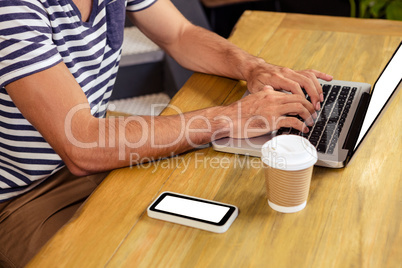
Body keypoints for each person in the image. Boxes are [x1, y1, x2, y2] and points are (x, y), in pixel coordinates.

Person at [0, 0, 333, 266]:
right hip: (20, 195)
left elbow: (180, 33)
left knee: (218, 216)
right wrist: (229, 117)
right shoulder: (14, 8)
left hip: (93, 160)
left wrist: (253, 67)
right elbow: (83, 144)